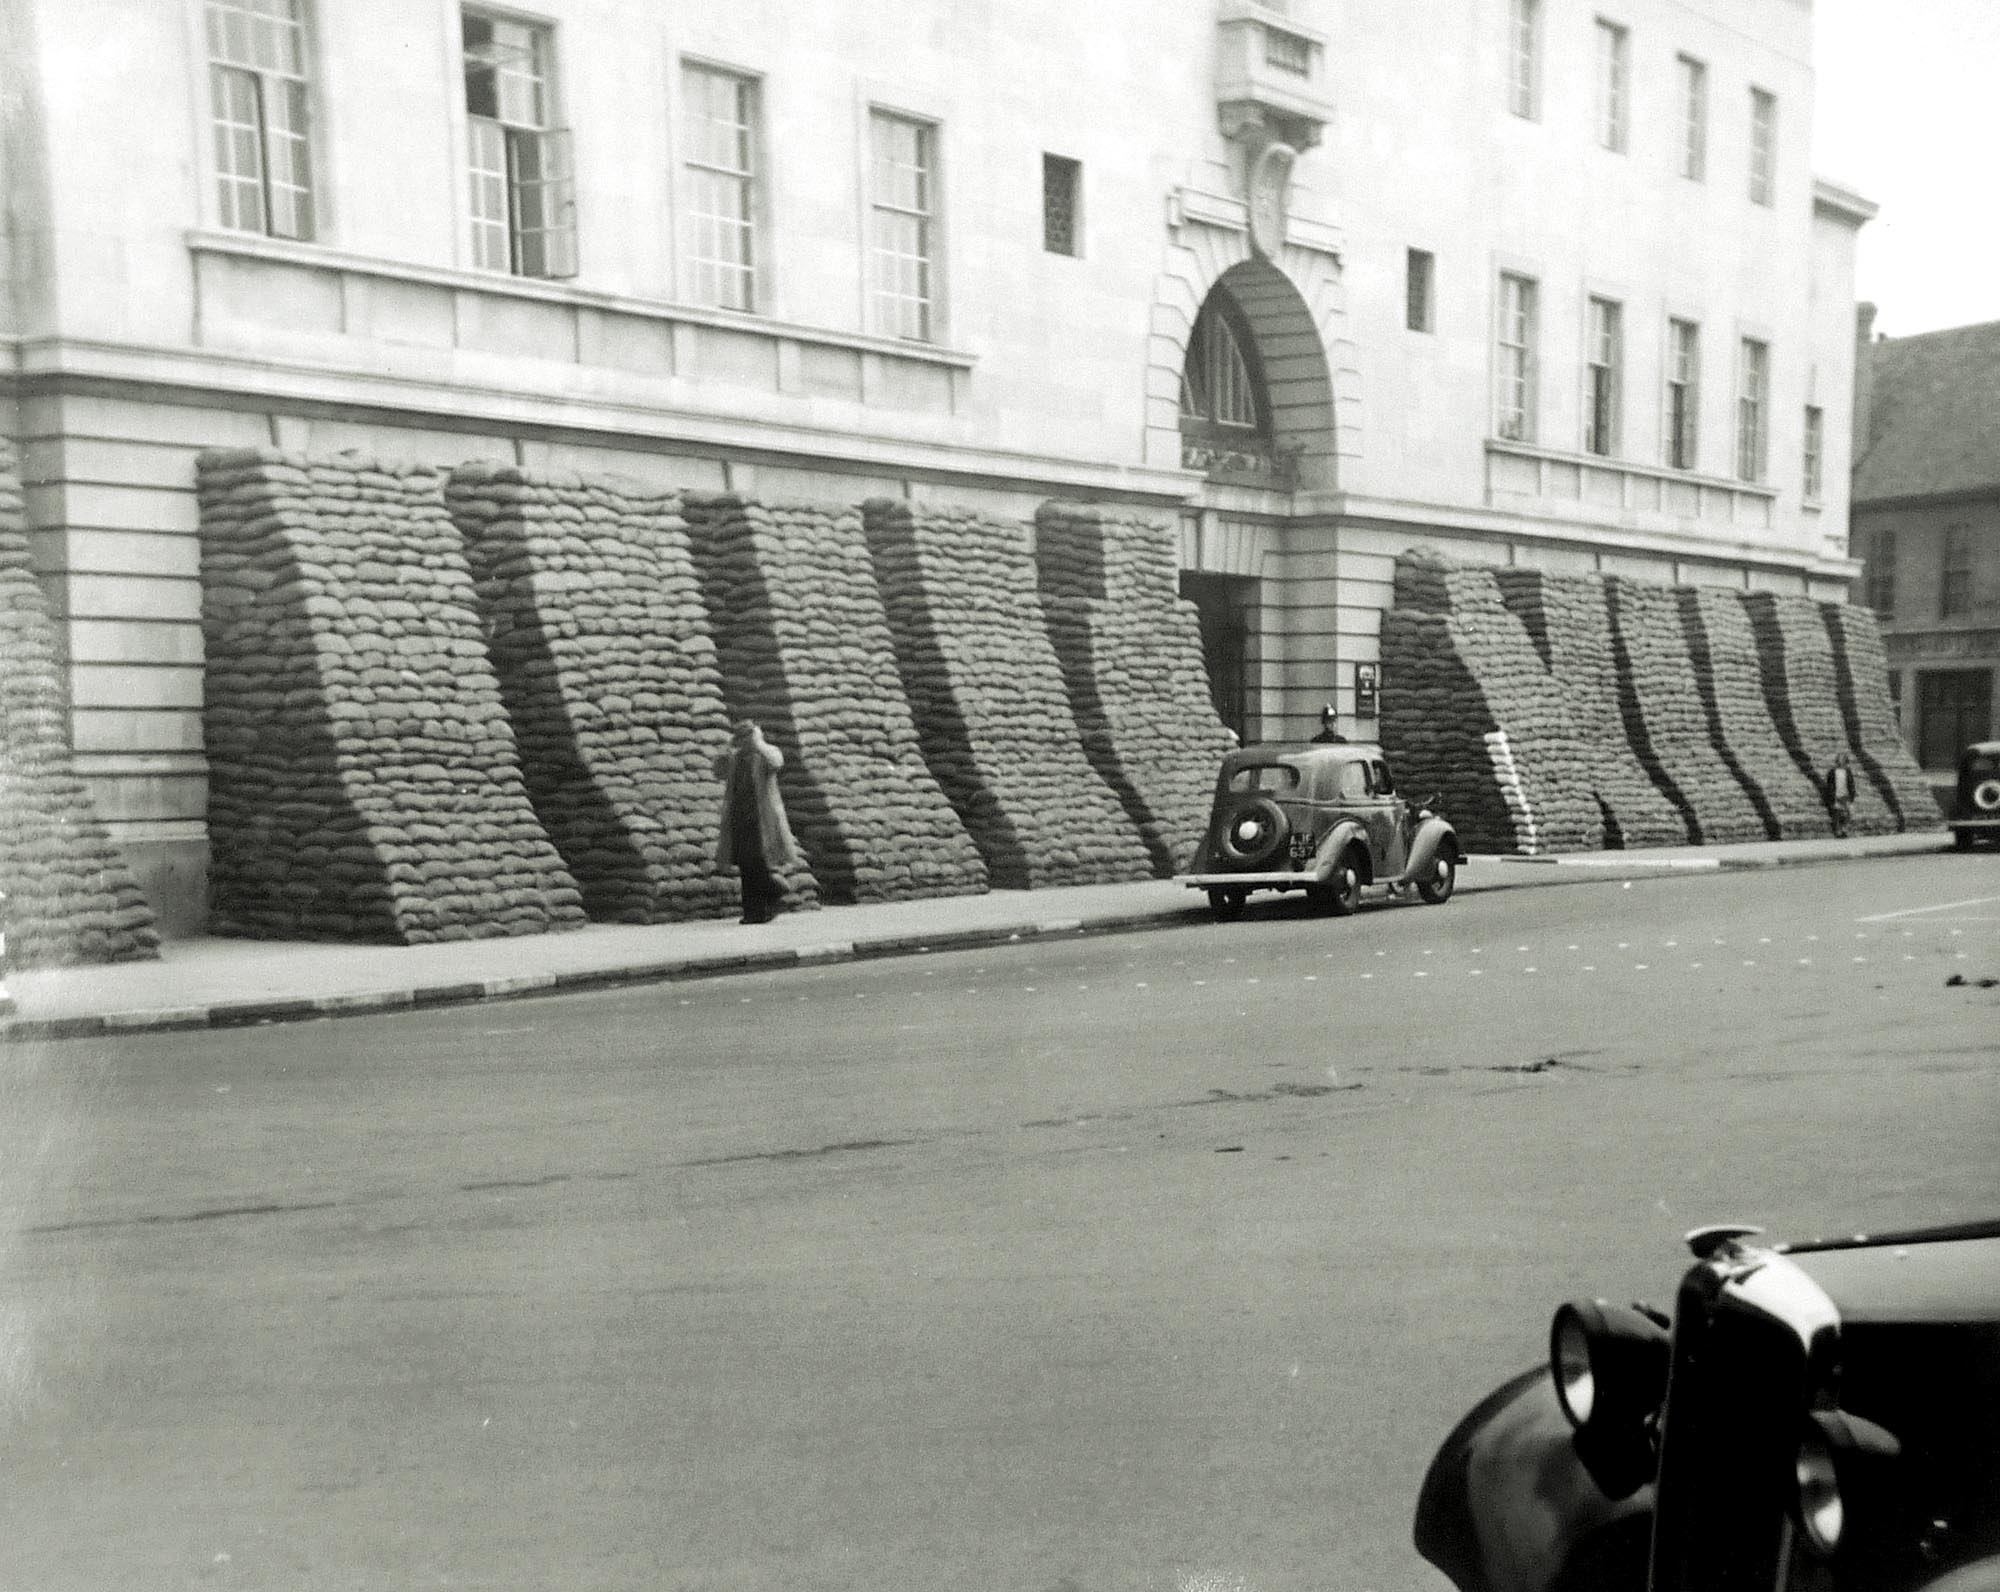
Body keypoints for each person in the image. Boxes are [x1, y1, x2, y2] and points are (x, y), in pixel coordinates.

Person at [713, 720, 799, 924]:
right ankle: (753, 912)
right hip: (740, 820)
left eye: (746, 738)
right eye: (740, 739)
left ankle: (772, 895)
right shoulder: (735, 759)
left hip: (763, 820)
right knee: (746, 867)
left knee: (758, 864)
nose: (743, 743)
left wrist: (758, 743)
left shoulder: (766, 754)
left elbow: (777, 762)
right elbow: (717, 772)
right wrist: (726, 749)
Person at [1824, 751, 1856, 839]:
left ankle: (1844, 829)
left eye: (1842, 759)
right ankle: (1838, 831)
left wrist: (1852, 795)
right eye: (1839, 759)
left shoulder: (1848, 771)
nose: (1840, 761)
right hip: (1836, 795)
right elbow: (1829, 785)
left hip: (1846, 795)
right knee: (1837, 814)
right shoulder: (1832, 772)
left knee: (1849, 813)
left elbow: (1851, 784)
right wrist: (1831, 796)